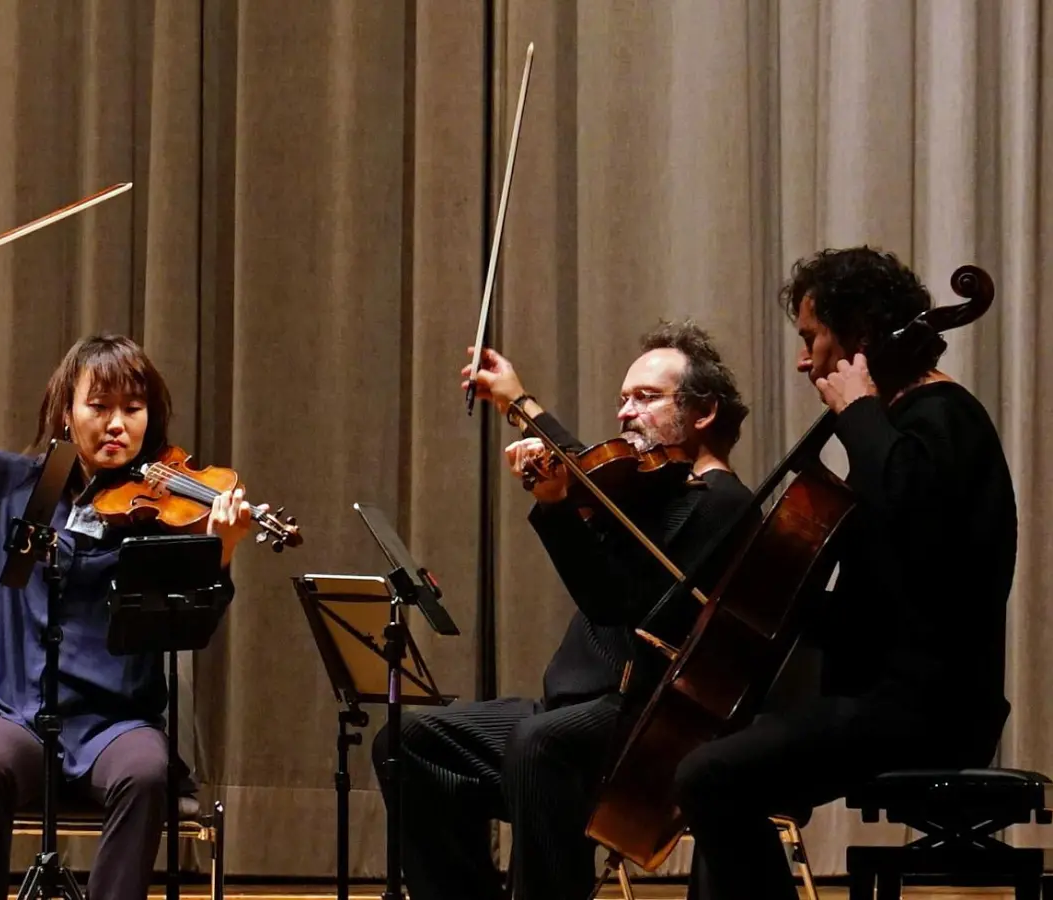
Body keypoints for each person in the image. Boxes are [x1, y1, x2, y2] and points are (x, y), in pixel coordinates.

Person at [0, 254, 260, 900]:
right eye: (100, 406)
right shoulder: (14, 485)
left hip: (114, 722)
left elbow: (189, 627)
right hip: (19, 714)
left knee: (147, 773)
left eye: (133, 409)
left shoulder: (165, 514)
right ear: (65, 413)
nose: (117, 423)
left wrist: (216, 552)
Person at [674, 247, 1018, 900]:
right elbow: (880, 598)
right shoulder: (894, 431)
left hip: (930, 707)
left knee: (709, 777)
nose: (804, 360)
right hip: (882, 697)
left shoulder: (943, 419)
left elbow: (916, 531)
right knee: (713, 768)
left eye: (811, 338)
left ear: (858, 335)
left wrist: (858, 413)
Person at [374, 321, 756, 900]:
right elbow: (588, 470)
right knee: (406, 740)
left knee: (539, 744)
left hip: (642, 721)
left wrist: (554, 508)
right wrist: (518, 402)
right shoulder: (653, 490)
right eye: (624, 398)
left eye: (646, 398)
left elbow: (620, 603)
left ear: (702, 413)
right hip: (571, 710)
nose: (626, 413)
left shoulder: (721, 506)